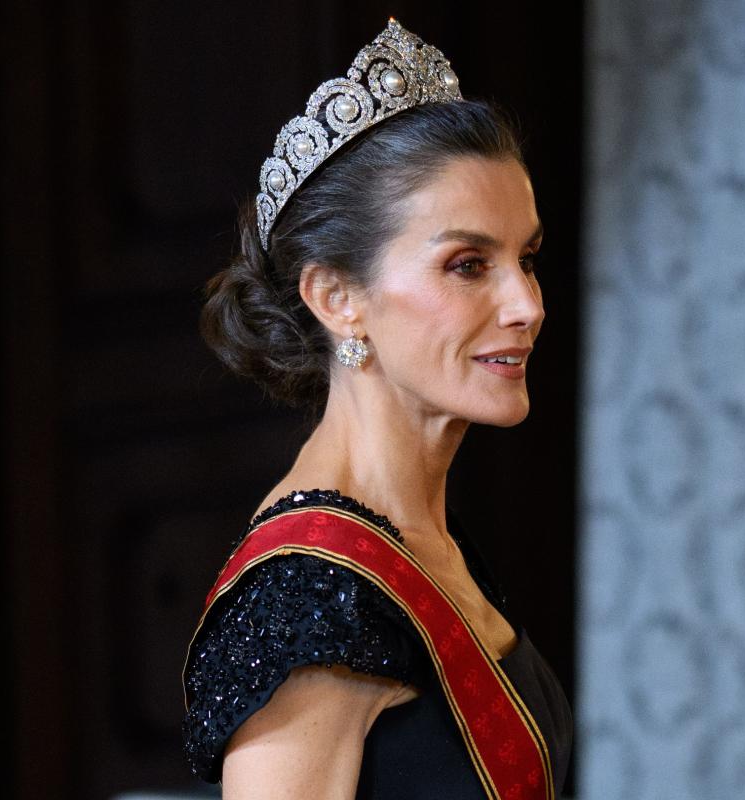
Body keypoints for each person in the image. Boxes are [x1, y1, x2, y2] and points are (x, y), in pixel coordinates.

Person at [182, 19, 572, 800]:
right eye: (468, 265)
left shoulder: (425, 535)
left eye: (525, 258)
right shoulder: (307, 606)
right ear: (337, 297)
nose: (526, 304)